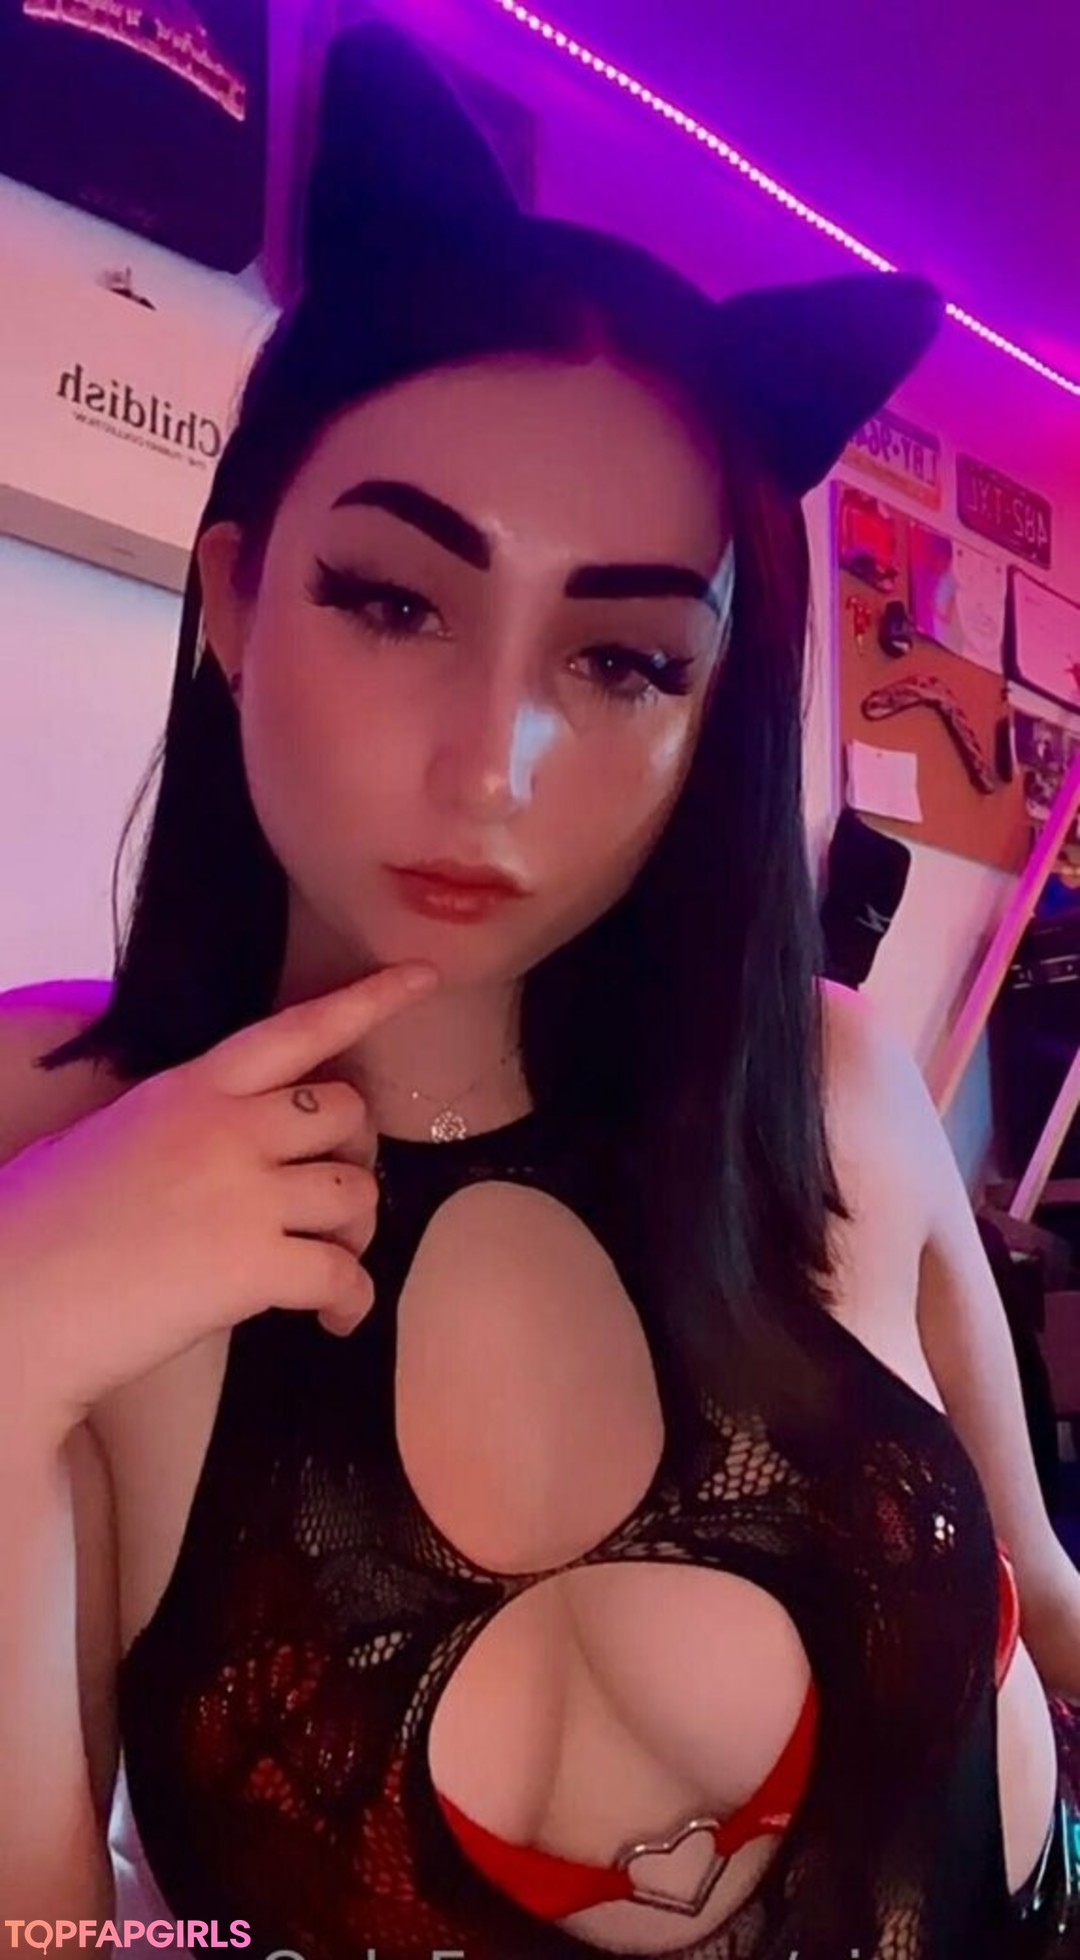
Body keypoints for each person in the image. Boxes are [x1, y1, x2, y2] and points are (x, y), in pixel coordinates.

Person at [2, 21, 1079, 1960]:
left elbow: (1054, 1605)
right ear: (235, 597)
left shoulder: (827, 1084)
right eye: (394, 600)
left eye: (625, 662)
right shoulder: (54, 1140)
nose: (492, 766)